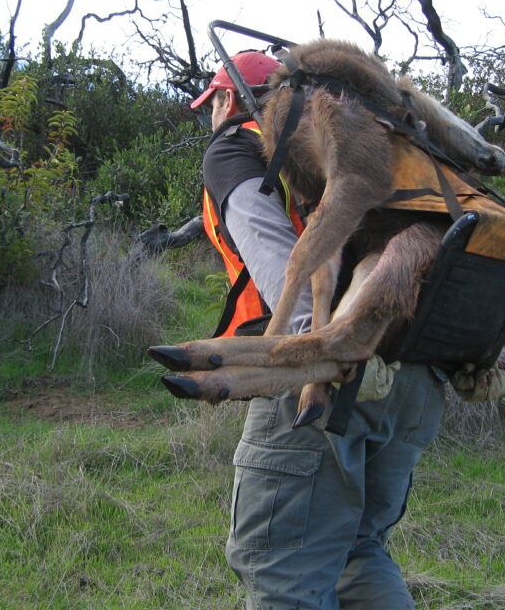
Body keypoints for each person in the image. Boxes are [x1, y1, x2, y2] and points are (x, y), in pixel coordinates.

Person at [190, 51, 446, 609]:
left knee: (279, 563)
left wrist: (315, 359)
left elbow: (275, 255)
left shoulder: (239, 144)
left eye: (211, 106)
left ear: (228, 100)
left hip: (327, 372)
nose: (212, 117)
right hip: (414, 378)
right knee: (359, 550)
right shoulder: (378, 132)